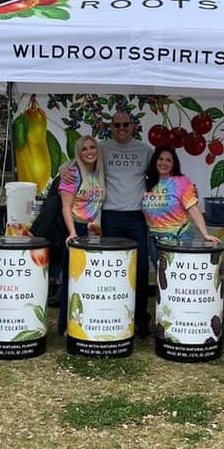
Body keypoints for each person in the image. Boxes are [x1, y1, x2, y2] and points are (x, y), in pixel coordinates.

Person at [100, 110, 152, 337]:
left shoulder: (145, 150)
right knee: (114, 270)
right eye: (117, 125)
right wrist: (64, 169)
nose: (121, 129)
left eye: (125, 125)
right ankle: (114, 316)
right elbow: (79, 162)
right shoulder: (102, 148)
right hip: (110, 215)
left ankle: (141, 319)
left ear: (133, 127)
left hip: (137, 217)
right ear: (111, 128)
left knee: (140, 270)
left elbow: (161, 174)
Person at [57, 135, 106, 335]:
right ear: (78, 153)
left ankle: (83, 320)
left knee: (85, 280)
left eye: (92, 147)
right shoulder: (73, 173)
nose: (89, 152)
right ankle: (65, 325)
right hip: (74, 229)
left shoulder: (98, 173)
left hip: (90, 230)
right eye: (84, 149)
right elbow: (66, 206)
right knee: (71, 280)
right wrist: (72, 233)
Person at [142, 145, 220, 265]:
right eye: (160, 159)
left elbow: (193, 209)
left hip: (179, 238)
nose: (164, 163)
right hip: (155, 239)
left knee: (177, 277)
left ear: (174, 164)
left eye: (168, 160)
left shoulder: (181, 182)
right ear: (155, 161)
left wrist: (205, 234)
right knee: (161, 276)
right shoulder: (147, 182)